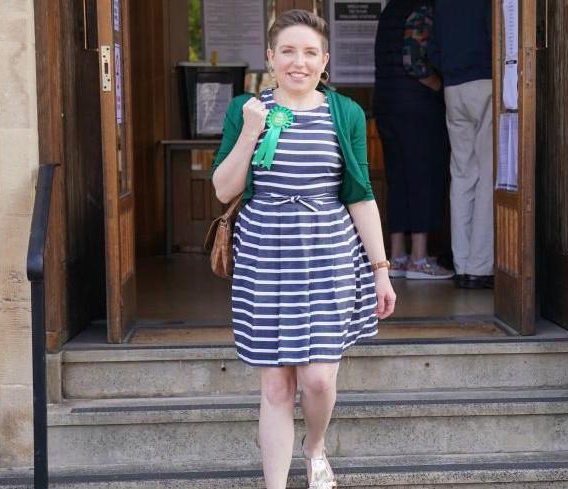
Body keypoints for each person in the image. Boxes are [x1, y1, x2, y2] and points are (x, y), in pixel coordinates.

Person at [211, 10, 396, 488]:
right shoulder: (243, 110)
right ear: (270, 58)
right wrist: (252, 131)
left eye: (310, 52)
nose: (299, 62)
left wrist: (380, 269)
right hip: (264, 257)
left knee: (317, 380)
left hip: (328, 256)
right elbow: (222, 189)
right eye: (288, 52)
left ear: (325, 60)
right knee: (275, 383)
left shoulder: (346, 112)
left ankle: (314, 447)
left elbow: (359, 193)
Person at [374, 0, 454, 280]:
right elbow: (415, 62)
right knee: (422, 177)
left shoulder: (389, 12)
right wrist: (441, 87)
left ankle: (397, 256)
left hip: (385, 105)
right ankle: (419, 258)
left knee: (397, 179)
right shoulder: (421, 9)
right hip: (417, 109)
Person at [428, 0, 494, 289]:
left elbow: (432, 50)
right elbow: (499, 38)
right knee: (487, 173)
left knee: (462, 174)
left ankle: (462, 263)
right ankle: (480, 267)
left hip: (454, 87)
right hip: (485, 81)